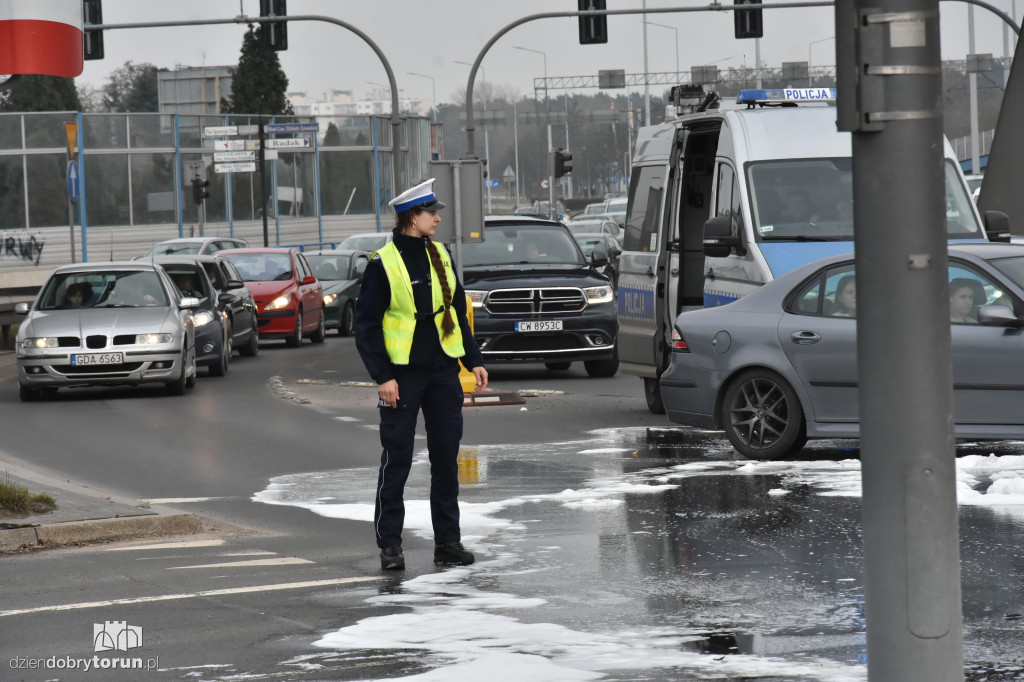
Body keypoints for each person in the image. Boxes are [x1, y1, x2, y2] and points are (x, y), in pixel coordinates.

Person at [354, 178, 489, 571]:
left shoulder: (441, 254)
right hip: (402, 376)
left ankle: (448, 542)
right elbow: (366, 328)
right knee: (397, 458)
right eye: (432, 213)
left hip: (444, 371)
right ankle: (390, 545)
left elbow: (456, 312)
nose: (437, 218)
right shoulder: (384, 263)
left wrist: (473, 359)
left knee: (446, 458)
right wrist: (383, 377)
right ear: (413, 217)